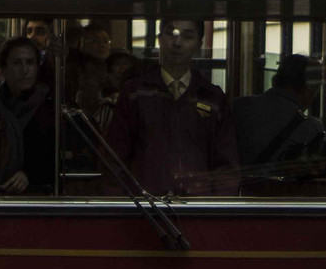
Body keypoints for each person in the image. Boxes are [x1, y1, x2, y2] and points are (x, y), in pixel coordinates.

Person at [102, 19, 239, 197]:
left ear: (198, 44)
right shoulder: (135, 93)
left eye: (187, 36)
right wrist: (120, 208)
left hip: (199, 211)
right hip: (145, 210)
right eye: (171, 34)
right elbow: (115, 157)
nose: (177, 43)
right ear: (159, 39)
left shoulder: (213, 98)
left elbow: (226, 166)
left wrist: (217, 211)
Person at [0, 36, 55, 194]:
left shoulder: (49, 111)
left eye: (30, 63)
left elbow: (53, 160)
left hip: (35, 201)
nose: (25, 70)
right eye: (17, 63)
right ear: (3, 69)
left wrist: (29, 175)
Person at [234, 54, 326, 188]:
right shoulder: (312, 128)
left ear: (274, 81)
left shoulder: (238, 106)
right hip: (278, 201)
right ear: (307, 90)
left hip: (233, 197)